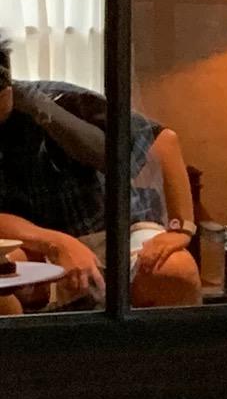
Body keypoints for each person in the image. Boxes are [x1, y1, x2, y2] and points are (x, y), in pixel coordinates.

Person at [0, 37, 200, 308]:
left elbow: (161, 139)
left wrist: (181, 228)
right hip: (33, 239)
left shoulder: (61, 99)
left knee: (174, 271)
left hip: (118, 228)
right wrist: (56, 243)